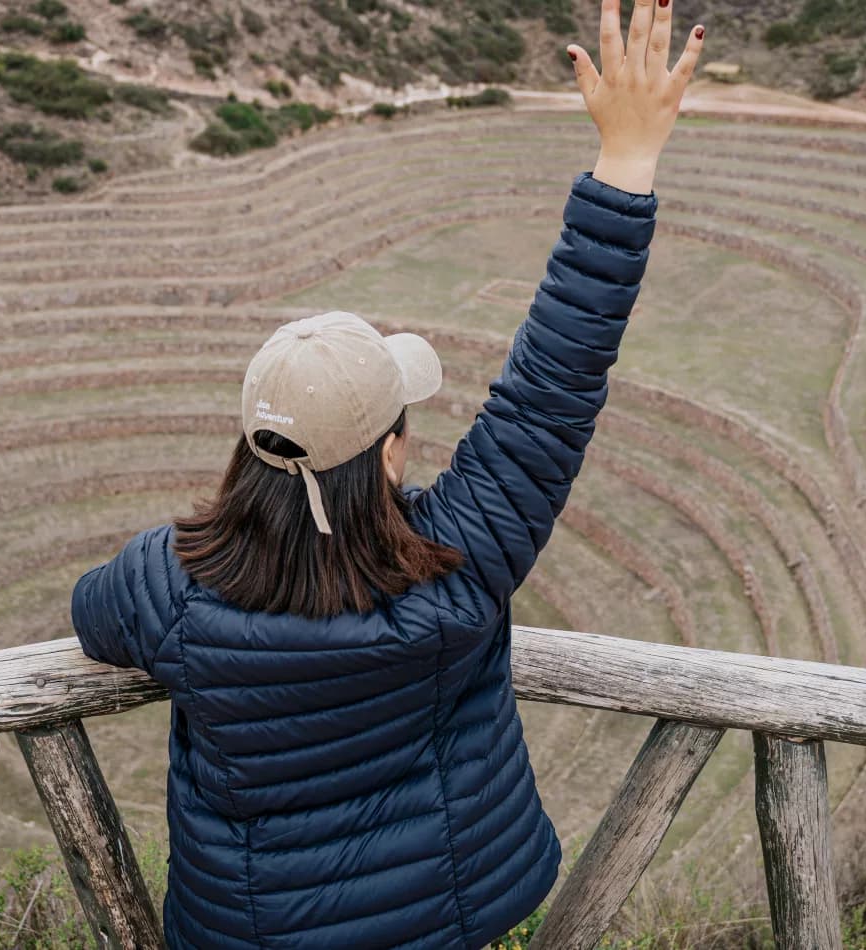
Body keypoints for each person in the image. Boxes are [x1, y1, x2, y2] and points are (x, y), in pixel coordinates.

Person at [71, 0, 703, 945]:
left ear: (251, 449)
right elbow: (552, 387)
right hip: (445, 922)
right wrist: (628, 159)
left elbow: (91, 616)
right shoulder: (460, 564)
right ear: (390, 452)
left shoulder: (168, 587)